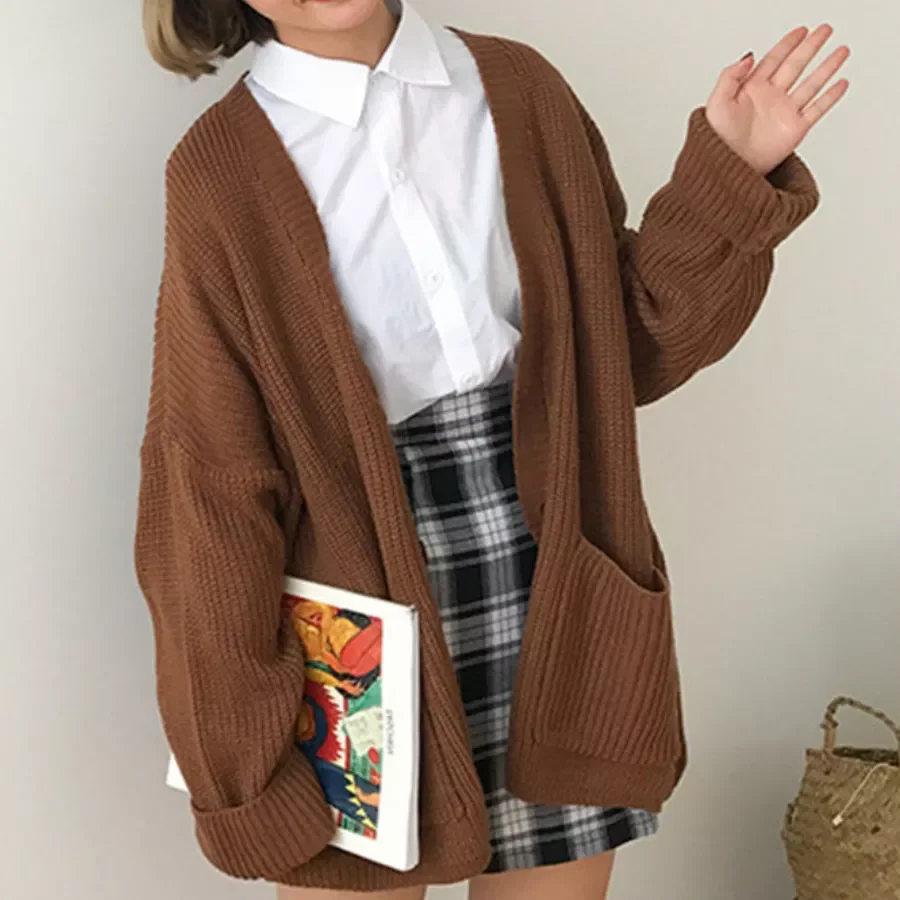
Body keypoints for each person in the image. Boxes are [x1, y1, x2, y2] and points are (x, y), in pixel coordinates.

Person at [135, 1, 849, 898]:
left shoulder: (519, 87)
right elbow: (209, 480)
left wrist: (730, 176)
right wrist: (241, 760)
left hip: (558, 570)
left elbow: (621, 344)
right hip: (352, 607)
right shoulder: (219, 170)